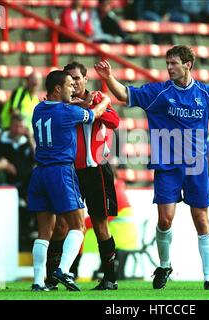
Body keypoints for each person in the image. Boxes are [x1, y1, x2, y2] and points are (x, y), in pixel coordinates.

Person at [94, 45, 209, 290]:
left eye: (173, 63)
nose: (168, 67)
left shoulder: (206, 93)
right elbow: (125, 94)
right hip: (167, 165)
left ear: (188, 64)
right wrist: (109, 78)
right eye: (167, 63)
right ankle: (165, 264)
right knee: (165, 220)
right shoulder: (159, 92)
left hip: (195, 166)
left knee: (201, 219)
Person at [27, 70, 109, 291]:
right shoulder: (67, 113)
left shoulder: (38, 109)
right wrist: (106, 100)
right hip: (60, 172)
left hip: (39, 172)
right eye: (69, 86)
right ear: (57, 89)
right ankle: (63, 270)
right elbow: (95, 114)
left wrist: (81, 103)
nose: (73, 89)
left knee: (44, 232)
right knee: (78, 226)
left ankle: (37, 282)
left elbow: (65, 110)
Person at [45, 61, 120, 291]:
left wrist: (94, 106)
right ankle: (53, 277)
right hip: (69, 172)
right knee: (62, 226)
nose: (74, 83)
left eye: (77, 78)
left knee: (100, 225)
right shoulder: (59, 104)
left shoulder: (96, 100)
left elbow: (114, 122)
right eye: (70, 79)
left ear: (86, 80)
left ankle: (109, 278)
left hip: (96, 170)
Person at [0, 114, 36, 250]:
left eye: (20, 126)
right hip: (7, 184)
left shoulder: (26, 142)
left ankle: (28, 236)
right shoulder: (1, 141)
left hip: (26, 184)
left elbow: (37, 158)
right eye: (15, 126)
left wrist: (31, 139)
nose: (18, 129)